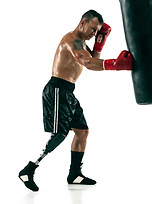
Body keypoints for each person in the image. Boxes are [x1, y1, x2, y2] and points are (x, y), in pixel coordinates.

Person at [18, 10, 132, 191]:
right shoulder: (72, 41)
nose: (93, 34)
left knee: (82, 132)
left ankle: (74, 174)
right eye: (93, 29)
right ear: (82, 22)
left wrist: (100, 42)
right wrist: (114, 65)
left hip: (68, 93)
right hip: (57, 90)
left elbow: (92, 61)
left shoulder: (82, 44)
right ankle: (28, 169)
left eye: (97, 32)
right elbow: (87, 63)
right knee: (59, 134)